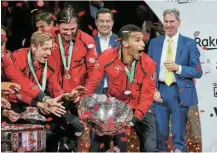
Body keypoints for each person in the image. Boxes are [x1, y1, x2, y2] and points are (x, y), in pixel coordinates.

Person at [83, 24, 156, 152]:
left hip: (140, 108)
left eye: (142, 40)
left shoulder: (149, 64)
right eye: (137, 40)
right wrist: (83, 104)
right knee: (98, 143)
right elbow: (92, 83)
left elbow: (147, 96)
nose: (143, 44)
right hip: (115, 107)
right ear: (125, 43)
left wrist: (135, 118)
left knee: (150, 146)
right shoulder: (107, 56)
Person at [148, 8, 203, 152]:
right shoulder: (154, 43)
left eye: (172, 21)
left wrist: (178, 68)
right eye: (166, 21)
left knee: (178, 136)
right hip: (159, 92)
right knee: (160, 135)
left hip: (179, 92)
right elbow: (148, 71)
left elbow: (197, 71)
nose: (169, 24)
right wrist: (152, 89)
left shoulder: (189, 43)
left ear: (179, 23)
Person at [48, 5, 98, 152]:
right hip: (54, 97)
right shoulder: (49, 39)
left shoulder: (87, 40)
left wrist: (84, 95)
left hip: (78, 98)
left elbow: (93, 73)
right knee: (53, 135)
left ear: (77, 25)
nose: (69, 33)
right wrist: (60, 95)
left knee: (85, 132)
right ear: (58, 26)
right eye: (65, 29)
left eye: (72, 29)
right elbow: (47, 72)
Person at [94, 8, 120, 94]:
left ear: (112, 22)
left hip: (115, 90)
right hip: (94, 90)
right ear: (96, 22)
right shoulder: (89, 42)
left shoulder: (120, 42)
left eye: (108, 21)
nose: (105, 24)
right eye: (101, 21)